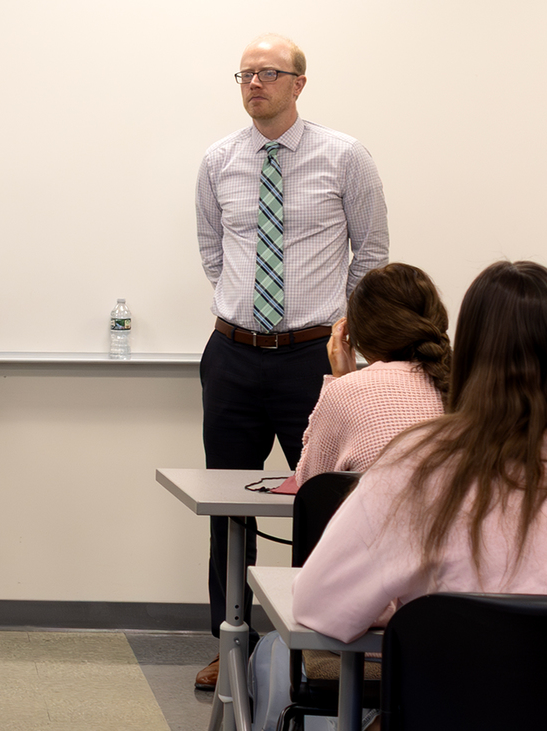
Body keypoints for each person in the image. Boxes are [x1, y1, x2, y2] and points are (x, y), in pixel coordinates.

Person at [194, 32, 388, 688]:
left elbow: (372, 254)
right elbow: (213, 250)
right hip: (233, 355)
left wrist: (342, 333)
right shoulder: (218, 161)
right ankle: (231, 640)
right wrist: (247, 314)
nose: (255, 83)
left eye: (269, 73)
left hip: (313, 358)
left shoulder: (345, 157)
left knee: (322, 500)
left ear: (299, 83)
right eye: (245, 74)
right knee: (228, 503)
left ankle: (319, 641)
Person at [294, 261, 547, 647]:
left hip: (450, 683)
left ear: (468, 351)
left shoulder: (417, 462)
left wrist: (400, 607)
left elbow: (317, 603)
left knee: (268, 658)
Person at [292, 263, 450, 486]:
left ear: (359, 334)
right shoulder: (465, 382)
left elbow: (310, 482)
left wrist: (339, 379)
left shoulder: (344, 391)